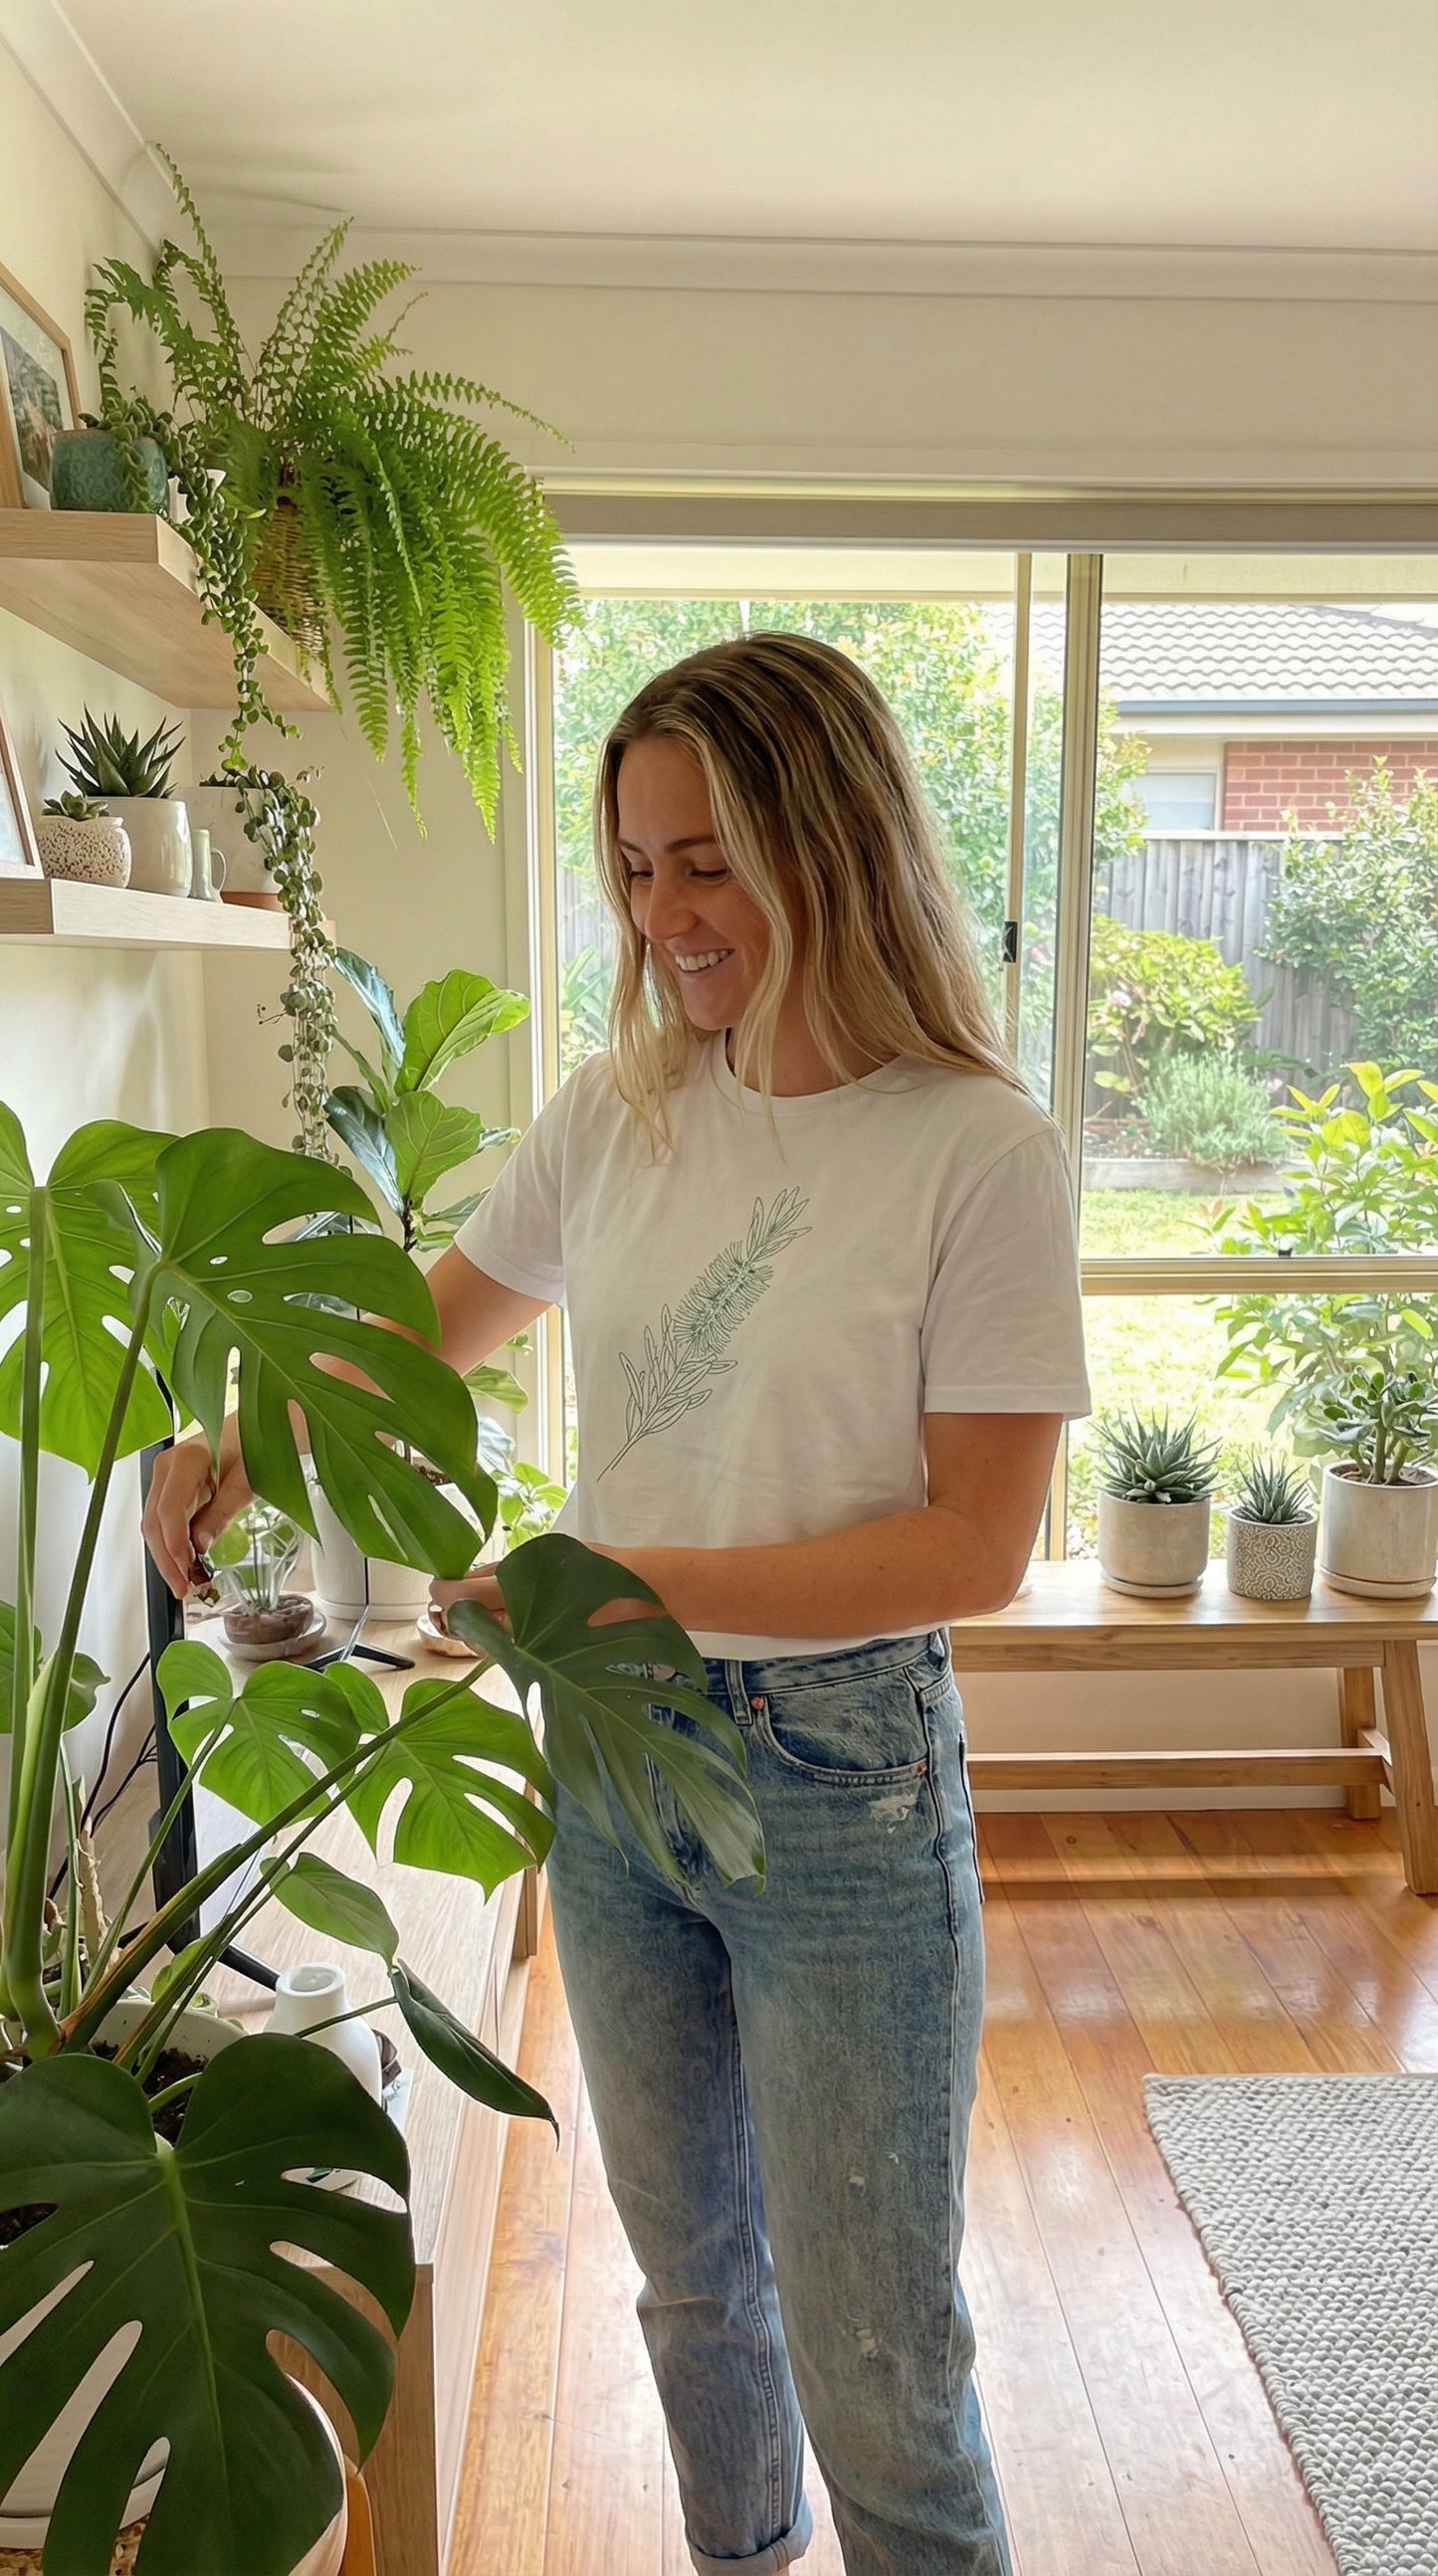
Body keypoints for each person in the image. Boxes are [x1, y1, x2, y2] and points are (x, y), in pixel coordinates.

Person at [144, 632, 1089, 2576]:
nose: (665, 913)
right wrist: (233, 1429)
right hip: (613, 1775)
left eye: (709, 859)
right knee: (693, 2297)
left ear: (832, 842)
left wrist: (627, 1582)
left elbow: (973, 1543)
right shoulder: (617, 1109)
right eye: (638, 866)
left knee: (878, 2358)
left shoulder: (977, 1150)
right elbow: (422, 1337)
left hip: (842, 1786)